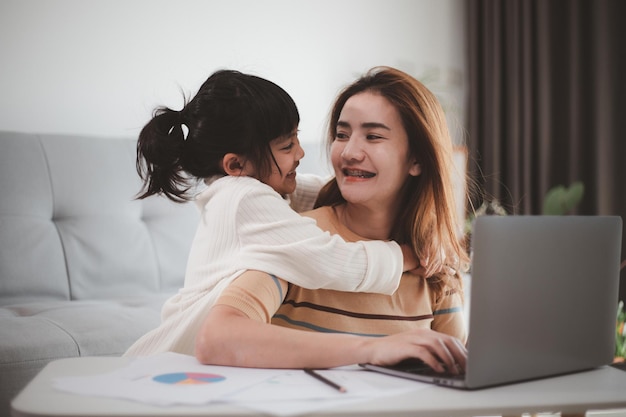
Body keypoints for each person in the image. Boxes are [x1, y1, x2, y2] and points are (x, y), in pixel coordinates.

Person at [194, 66, 470, 373]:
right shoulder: (294, 240)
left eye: (373, 136)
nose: (349, 152)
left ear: (417, 159)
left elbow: (457, 383)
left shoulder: (436, 260)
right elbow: (218, 337)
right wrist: (371, 348)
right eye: (342, 134)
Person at [125, 69, 417, 356]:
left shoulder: (246, 189)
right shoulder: (243, 197)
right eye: (287, 145)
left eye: (296, 137)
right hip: (168, 360)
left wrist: (365, 187)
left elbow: (317, 192)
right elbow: (326, 260)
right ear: (236, 166)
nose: (300, 153)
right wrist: (405, 256)